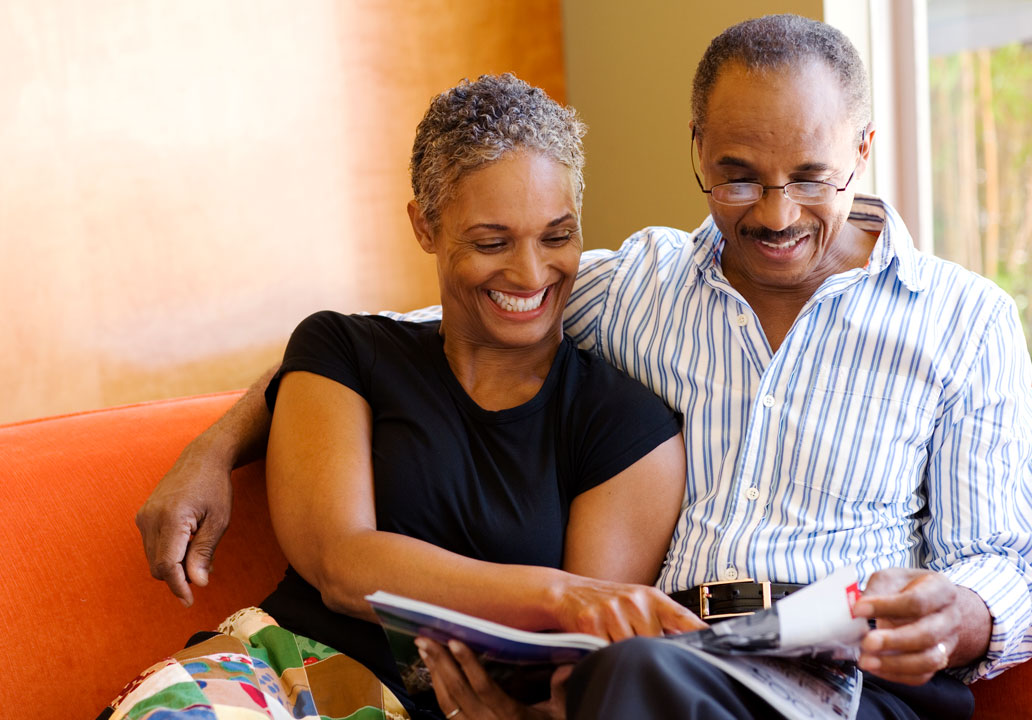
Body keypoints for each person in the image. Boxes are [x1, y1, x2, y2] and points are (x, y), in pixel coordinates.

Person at [137, 14, 1032, 720]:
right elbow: (389, 339)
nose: (775, 213)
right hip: (679, 664)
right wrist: (218, 446)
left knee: (632, 678)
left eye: (810, 176)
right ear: (695, 148)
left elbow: (1002, 559)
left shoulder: (963, 321)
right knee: (631, 677)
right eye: (737, 177)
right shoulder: (637, 286)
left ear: (863, 153)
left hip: (852, 680)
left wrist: (967, 612)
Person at [111, 73, 702, 720]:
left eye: (557, 236)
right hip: (276, 676)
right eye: (492, 242)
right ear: (425, 226)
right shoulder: (344, 353)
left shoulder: (627, 426)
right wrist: (560, 594)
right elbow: (342, 564)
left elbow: (581, 664)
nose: (532, 273)